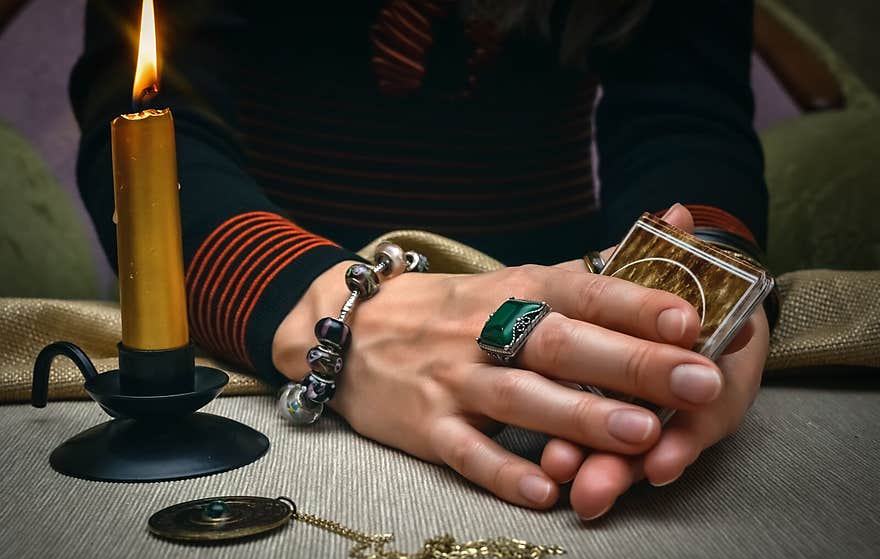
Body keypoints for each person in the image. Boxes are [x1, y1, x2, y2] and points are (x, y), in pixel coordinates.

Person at [71, 0, 772, 520]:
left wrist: (693, 282)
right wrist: (334, 312)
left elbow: (686, 112)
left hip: (565, 331)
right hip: (242, 315)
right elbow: (147, 119)